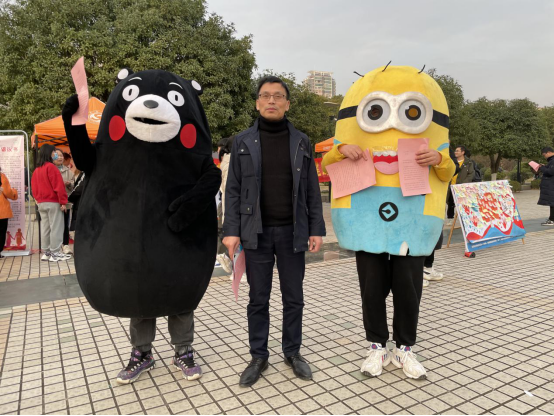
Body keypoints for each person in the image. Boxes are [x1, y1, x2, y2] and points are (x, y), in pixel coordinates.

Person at [323, 66, 455, 381]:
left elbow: (448, 172)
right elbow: (328, 164)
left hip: (412, 223)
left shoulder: (433, 144)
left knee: (409, 290)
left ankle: (405, 348)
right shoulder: (348, 141)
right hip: (366, 221)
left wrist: (439, 159)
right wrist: (341, 149)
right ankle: (377, 346)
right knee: (371, 289)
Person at [223, 76, 326, 388]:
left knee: (294, 297)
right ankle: (258, 356)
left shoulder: (301, 141)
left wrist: (316, 228)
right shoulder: (242, 141)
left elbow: (311, 189)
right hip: (256, 233)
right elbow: (233, 190)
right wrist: (231, 231)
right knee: (258, 298)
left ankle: (292, 352)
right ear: (257, 103)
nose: (271, 101)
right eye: (265, 96)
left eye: (278, 96)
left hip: (293, 232)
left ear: (287, 104)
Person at [31, 144, 71, 262]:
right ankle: (55, 253)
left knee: (46, 228)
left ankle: (47, 252)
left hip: (41, 203)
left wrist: (38, 200)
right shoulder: (51, 167)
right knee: (56, 227)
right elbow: (59, 186)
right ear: (50, 153)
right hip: (53, 202)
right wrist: (63, 202)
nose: (55, 154)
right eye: (54, 152)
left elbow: (33, 188)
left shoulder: (37, 170)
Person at [216, 137, 234, 275]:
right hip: (229, 204)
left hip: (227, 204)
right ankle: (226, 257)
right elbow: (228, 189)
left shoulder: (226, 162)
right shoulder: (229, 162)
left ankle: (227, 258)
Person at [446, 146, 475, 226]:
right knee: (450, 203)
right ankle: (450, 218)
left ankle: (465, 220)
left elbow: (471, 174)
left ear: (463, 152)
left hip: (462, 187)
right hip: (451, 186)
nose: (455, 152)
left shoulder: (468, 162)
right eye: (455, 151)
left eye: (457, 151)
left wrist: (464, 183)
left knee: (463, 203)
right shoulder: (451, 161)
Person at [53, 149, 74, 255]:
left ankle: (65, 245)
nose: (60, 157)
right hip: (54, 202)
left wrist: (69, 184)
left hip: (66, 202)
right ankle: (55, 247)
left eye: (61, 156)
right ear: (52, 157)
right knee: (55, 225)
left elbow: (73, 186)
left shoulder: (69, 172)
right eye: (58, 155)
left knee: (65, 224)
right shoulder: (50, 170)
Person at [0, 170, 18, 258]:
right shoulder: (1, 176)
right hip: (1, 210)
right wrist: (14, 192)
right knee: (1, 231)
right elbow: (7, 192)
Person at [536, 147, 554, 226]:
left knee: (552, 203)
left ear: (549, 152)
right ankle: (551, 218)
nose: (544, 157)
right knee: (552, 203)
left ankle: (552, 219)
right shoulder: (551, 161)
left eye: (544, 155)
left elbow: (550, 172)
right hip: (551, 185)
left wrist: (542, 168)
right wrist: (545, 167)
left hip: (552, 185)